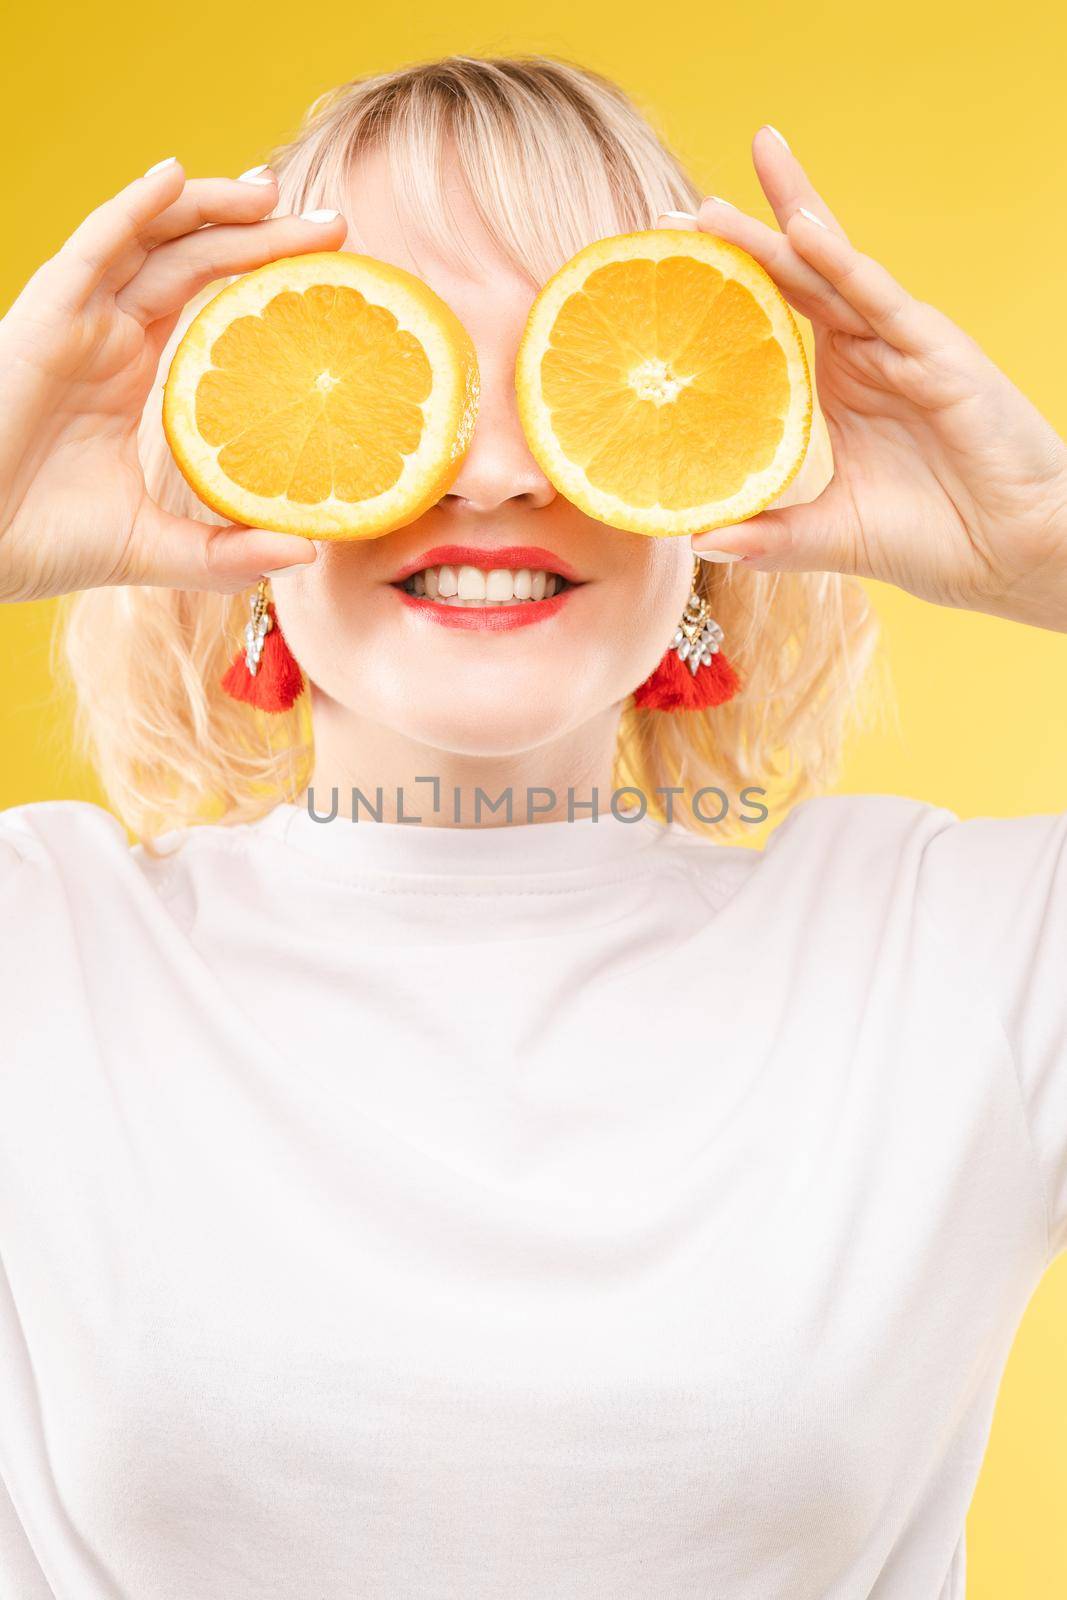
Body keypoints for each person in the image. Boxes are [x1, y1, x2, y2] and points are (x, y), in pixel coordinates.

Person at [1, 52, 1064, 1600]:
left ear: (706, 471)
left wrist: (1047, 538)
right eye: (390, 381)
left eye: (577, 380)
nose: (494, 474)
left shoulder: (965, 956)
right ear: (236, 473)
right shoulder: (42, 951)